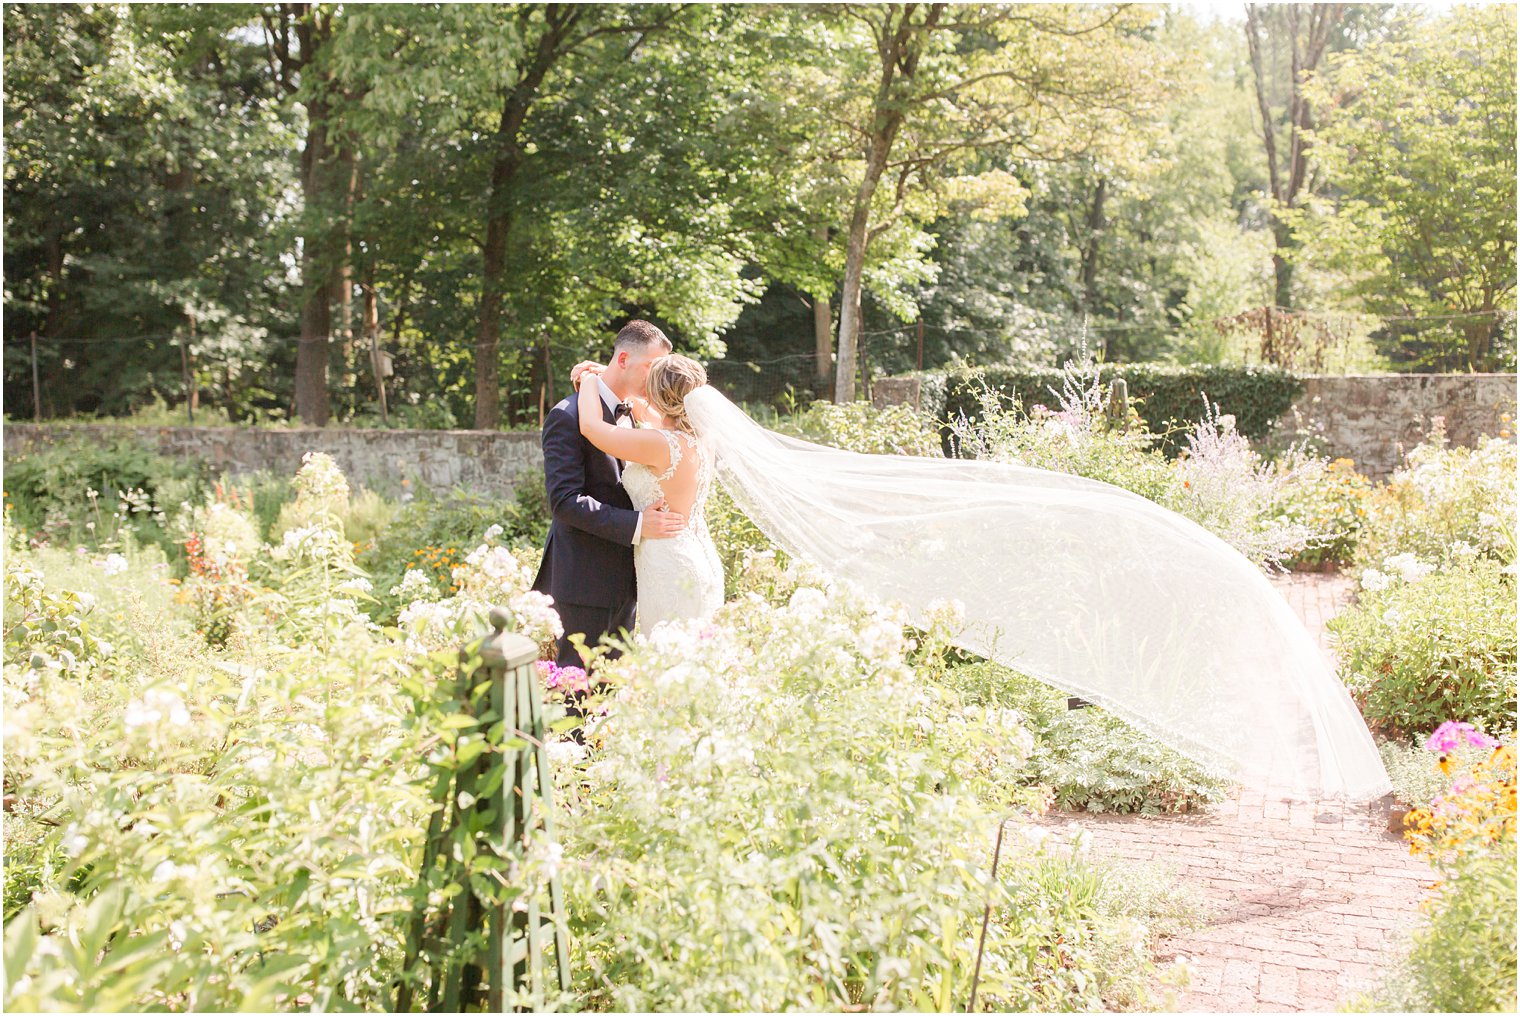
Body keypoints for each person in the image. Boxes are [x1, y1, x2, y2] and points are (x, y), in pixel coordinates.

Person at [530, 320, 687, 668]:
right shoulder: (567, 416)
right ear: (623, 360)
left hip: (628, 582)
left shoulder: (639, 413)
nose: (657, 377)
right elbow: (564, 501)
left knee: (611, 695)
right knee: (576, 697)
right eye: (651, 367)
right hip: (584, 585)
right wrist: (639, 525)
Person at [570, 353, 724, 631]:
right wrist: (608, 374)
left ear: (655, 393)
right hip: (700, 557)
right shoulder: (702, 437)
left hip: (669, 564)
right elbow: (647, 412)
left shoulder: (659, 443)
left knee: (667, 656)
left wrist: (589, 379)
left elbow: (591, 427)